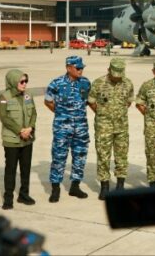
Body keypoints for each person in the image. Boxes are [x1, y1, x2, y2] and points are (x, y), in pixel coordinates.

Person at [44, 55, 91, 202]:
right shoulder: (56, 84)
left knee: (80, 156)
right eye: (78, 68)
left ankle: (75, 187)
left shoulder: (85, 83)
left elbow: (88, 101)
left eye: (82, 67)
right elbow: (48, 101)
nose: (80, 70)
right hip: (62, 128)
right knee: (59, 157)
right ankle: (55, 189)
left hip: (81, 127)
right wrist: (61, 114)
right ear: (68, 68)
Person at [88, 58, 134, 200]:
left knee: (121, 156)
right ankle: (105, 186)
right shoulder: (98, 83)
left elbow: (129, 101)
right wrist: (103, 113)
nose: (117, 77)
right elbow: (91, 102)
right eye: (114, 74)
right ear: (109, 70)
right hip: (103, 126)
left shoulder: (127, 83)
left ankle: (120, 185)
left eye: (119, 74)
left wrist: (117, 113)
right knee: (103, 156)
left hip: (122, 126)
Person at [0, 69, 37, 209]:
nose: (24, 84)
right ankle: (8, 198)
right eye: (21, 81)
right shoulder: (4, 97)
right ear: (14, 81)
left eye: (26, 81)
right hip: (12, 140)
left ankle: (24, 195)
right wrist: (20, 131)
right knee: (11, 169)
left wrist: (30, 128)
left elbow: (33, 114)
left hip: (28, 139)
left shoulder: (28, 95)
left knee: (26, 168)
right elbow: (4, 118)